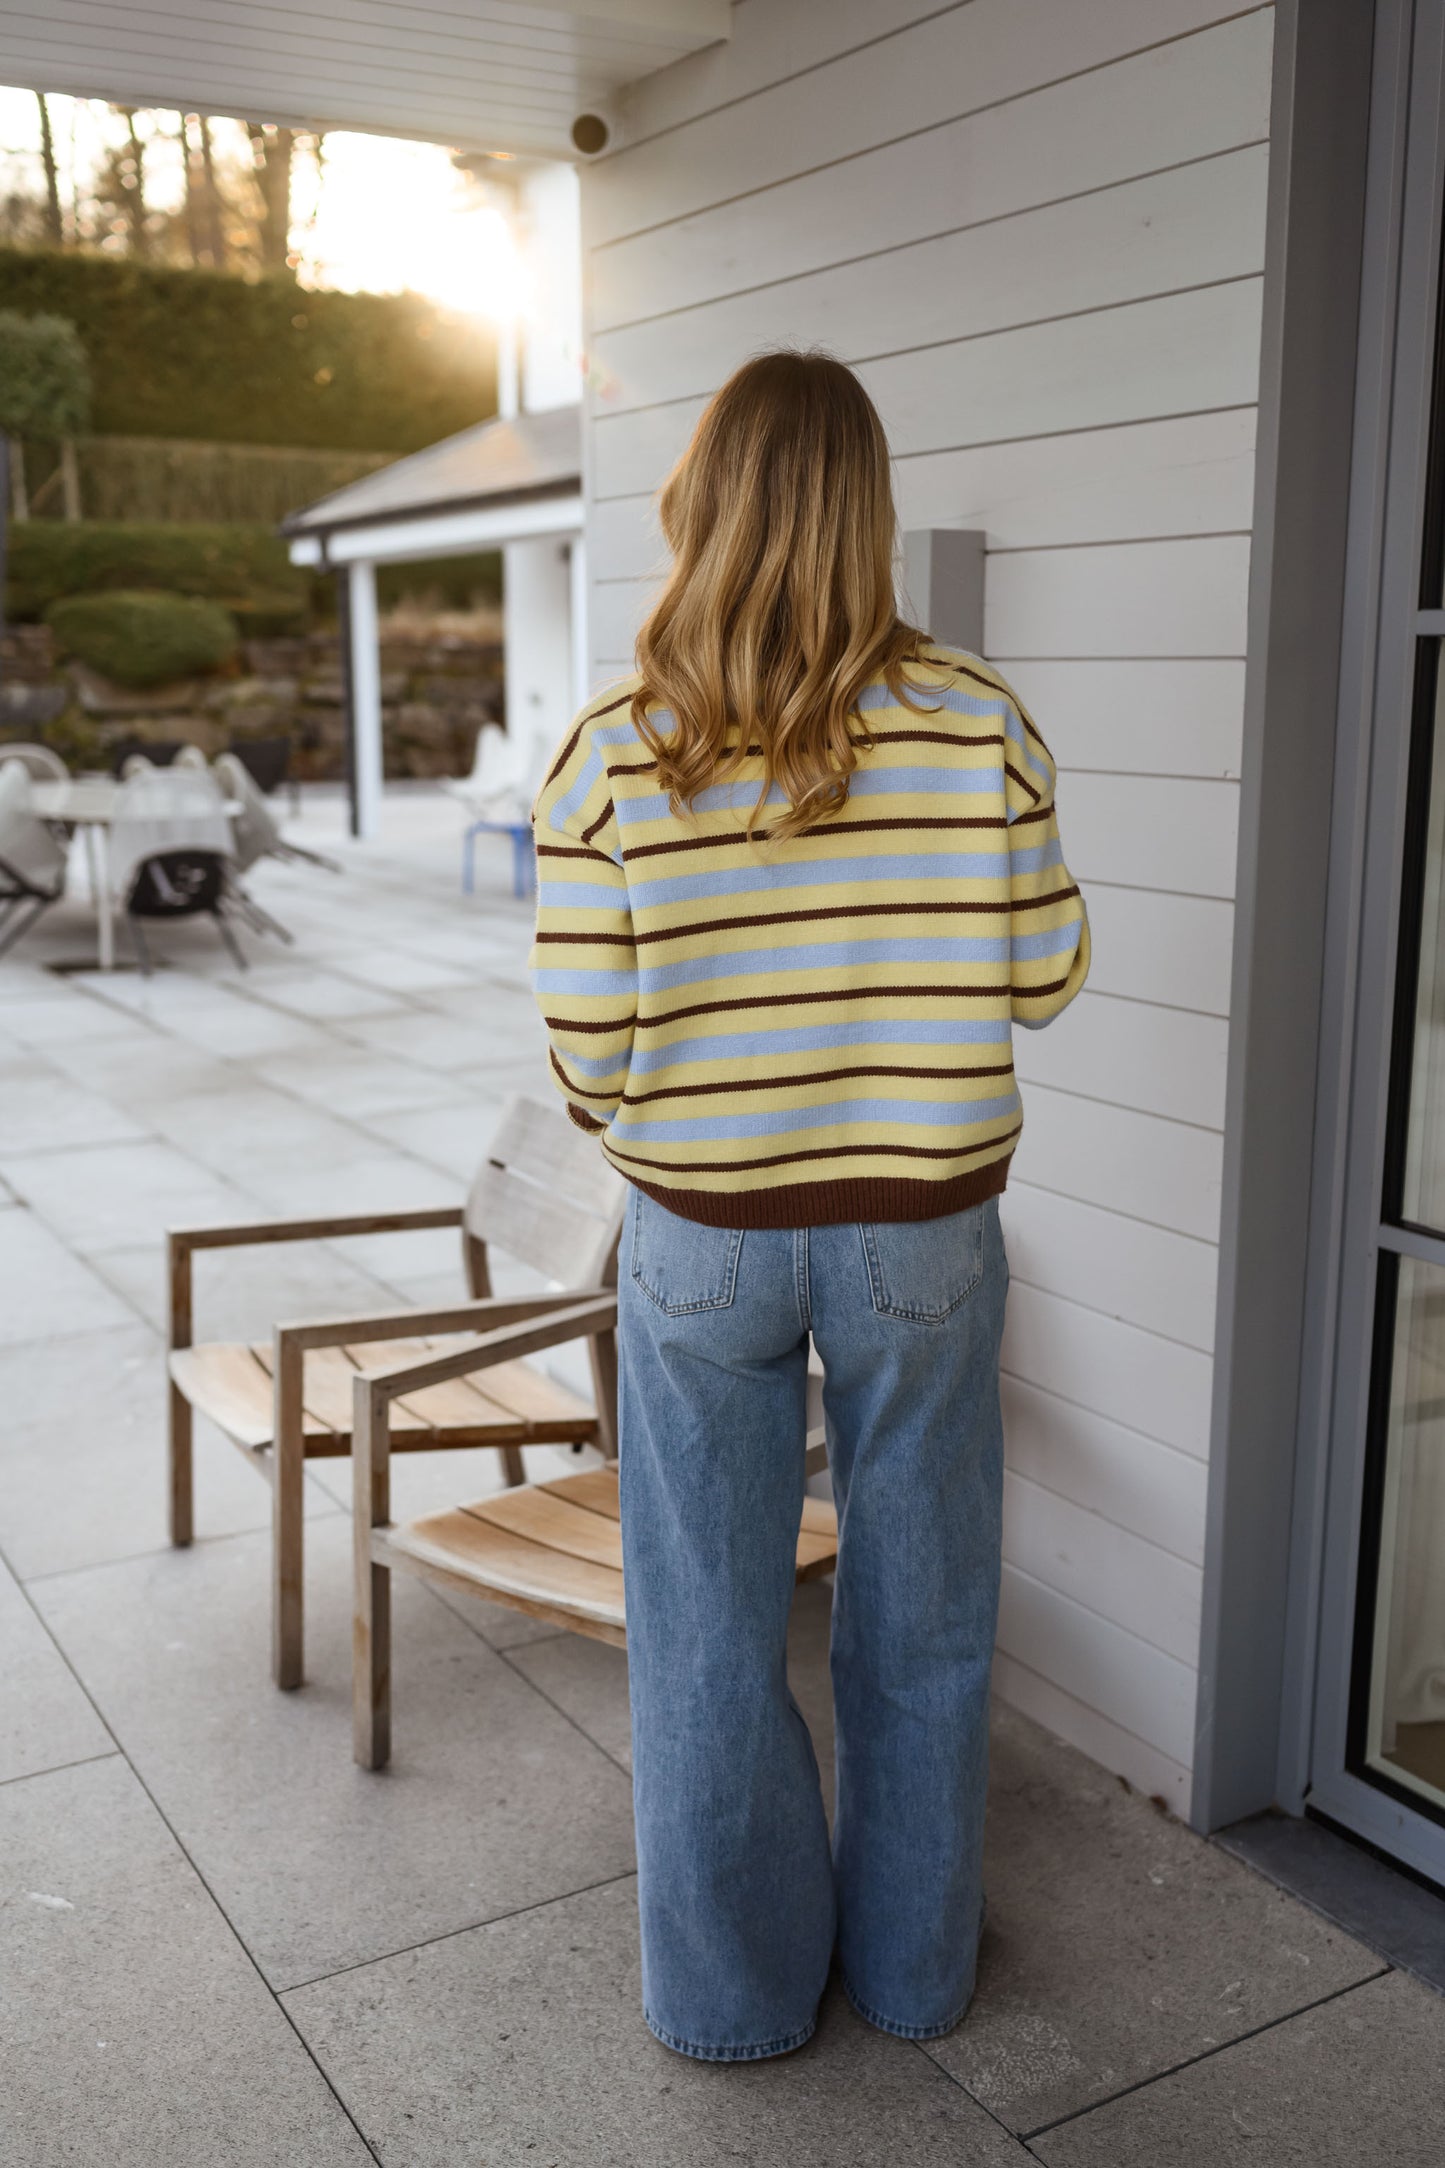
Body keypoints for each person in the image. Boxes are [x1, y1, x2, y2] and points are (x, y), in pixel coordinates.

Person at [529, 349, 1089, 2063]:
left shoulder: (615, 748)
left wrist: (681, 1131)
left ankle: (734, 2000)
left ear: (698, 500)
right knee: (924, 1610)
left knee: (704, 1624)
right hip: (923, 1228)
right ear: (870, 511)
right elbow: (1045, 978)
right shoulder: (979, 719)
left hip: (700, 1234)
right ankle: (915, 1976)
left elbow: (586, 1046)